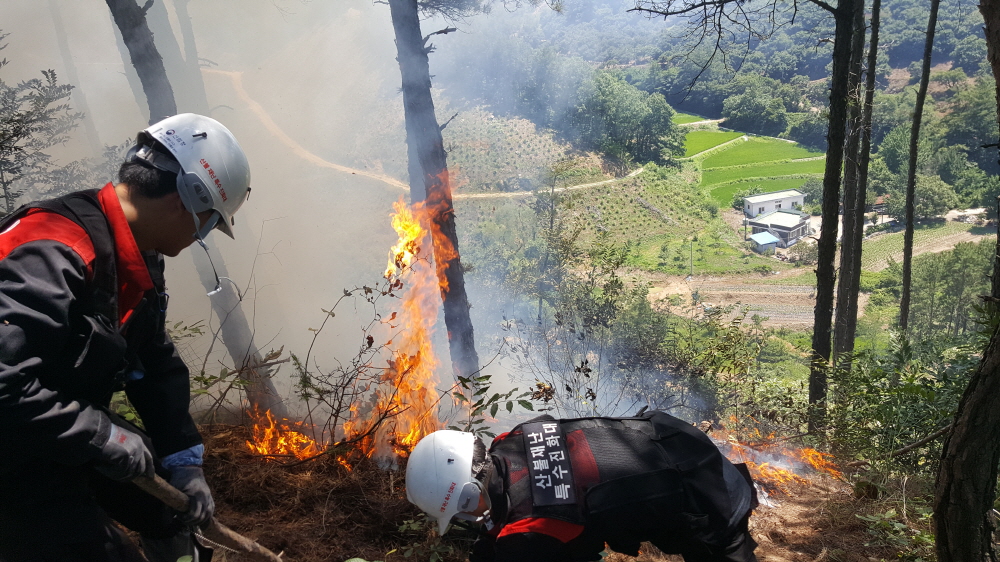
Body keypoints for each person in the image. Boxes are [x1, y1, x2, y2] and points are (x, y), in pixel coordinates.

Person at [0, 113, 252, 562]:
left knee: (165, 505)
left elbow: (153, 361)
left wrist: (182, 459)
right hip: (11, 448)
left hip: (46, 428)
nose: (202, 238)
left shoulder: (136, 255)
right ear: (187, 200)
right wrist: (100, 435)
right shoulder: (57, 249)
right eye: (209, 224)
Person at [406, 410, 759, 562]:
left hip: (707, 497)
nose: (472, 519)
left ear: (470, 491)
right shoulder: (511, 440)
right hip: (672, 435)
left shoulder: (533, 527)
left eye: (465, 512)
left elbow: (567, 544)